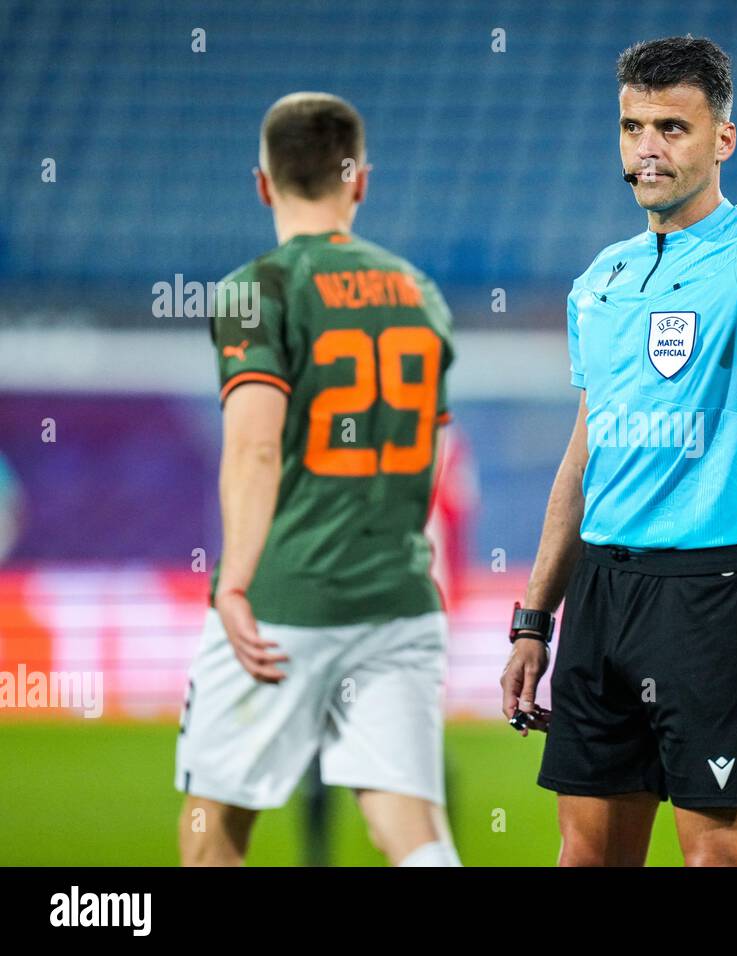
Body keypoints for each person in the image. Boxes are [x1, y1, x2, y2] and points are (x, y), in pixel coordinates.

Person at [499, 36, 737, 867]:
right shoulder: (599, 280)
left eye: (672, 126)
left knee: (719, 859)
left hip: (716, 595)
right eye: (633, 128)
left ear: (722, 141)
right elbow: (584, 457)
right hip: (602, 589)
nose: (648, 148)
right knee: (587, 857)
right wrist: (534, 619)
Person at [176, 92, 459, 867]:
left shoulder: (252, 289)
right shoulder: (419, 293)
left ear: (262, 183)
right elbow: (431, 458)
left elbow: (255, 449)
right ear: (358, 181)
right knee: (410, 829)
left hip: (283, 602)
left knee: (211, 837)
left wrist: (234, 585)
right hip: (397, 600)